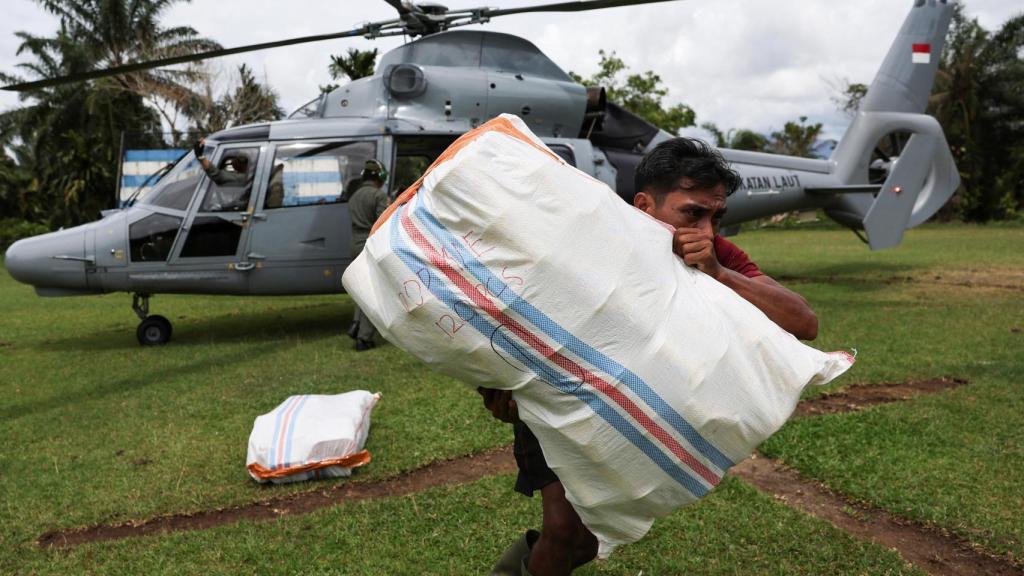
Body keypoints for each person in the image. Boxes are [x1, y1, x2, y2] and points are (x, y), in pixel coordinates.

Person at [484, 137, 818, 576]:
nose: (707, 230)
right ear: (643, 205)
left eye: (716, 216)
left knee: (583, 539)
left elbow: (803, 322)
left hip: (622, 407)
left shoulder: (716, 254)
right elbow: (503, 307)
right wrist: (493, 386)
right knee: (565, 528)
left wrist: (720, 273)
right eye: (693, 213)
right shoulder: (588, 240)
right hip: (555, 395)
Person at [346, 159, 390, 351]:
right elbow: (382, 221)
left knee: (362, 289)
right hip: (370, 245)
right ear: (379, 177)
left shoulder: (354, 195)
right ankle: (364, 337)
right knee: (373, 292)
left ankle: (356, 325)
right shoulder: (377, 195)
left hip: (355, 244)